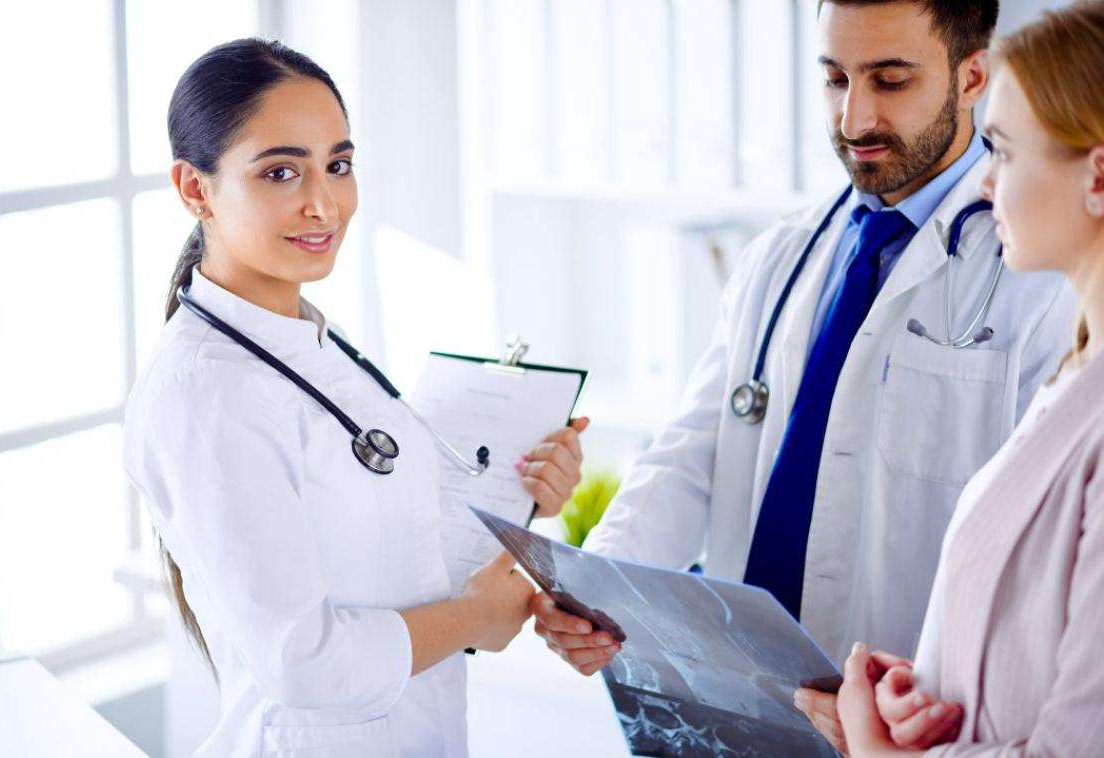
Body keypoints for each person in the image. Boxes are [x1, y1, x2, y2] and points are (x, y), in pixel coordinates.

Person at [532, 0, 1077, 746]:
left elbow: (1035, 556)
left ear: (972, 74)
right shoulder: (781, 256)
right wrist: (599, 589)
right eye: (833, 79)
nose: (854, 119)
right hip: (734, 703)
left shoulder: (1045, 278)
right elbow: (692, 453)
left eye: (889, 81)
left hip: (909, 721)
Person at [123, 39, 586, 757]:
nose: (323, 202)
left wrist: (525, 496)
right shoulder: (205, 395)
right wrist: (473, 619)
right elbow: (303, 661)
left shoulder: (312, 347)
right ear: (195, 189)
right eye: (281, 171)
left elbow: (399, 563)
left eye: (338, 164)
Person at [836, 3, 1104, 754]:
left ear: (1099, 177)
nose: (985, 183)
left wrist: (877, 749)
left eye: (1006, 151)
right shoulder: (1076, 375)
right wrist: (937, 686)